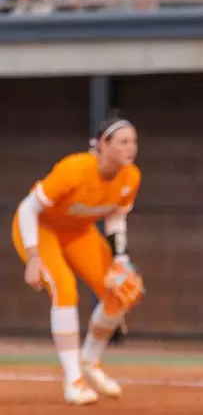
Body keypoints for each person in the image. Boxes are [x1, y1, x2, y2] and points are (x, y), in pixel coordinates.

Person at [11, 116, 146, 405]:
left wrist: (121, 257)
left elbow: (116, 215)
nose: (131, 147)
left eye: (133, 141)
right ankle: (73, 380)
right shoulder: (75, 169)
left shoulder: (131, 176)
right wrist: (33, 257)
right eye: (123, 141)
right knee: (65, 287)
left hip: (78, 232)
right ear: (102, 145)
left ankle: (90, 361)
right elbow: (27, 208)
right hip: (41, 229)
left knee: (118, 294)